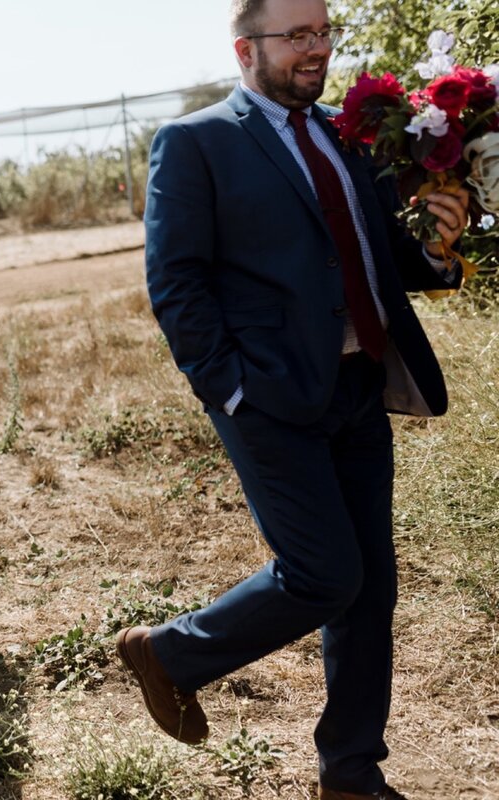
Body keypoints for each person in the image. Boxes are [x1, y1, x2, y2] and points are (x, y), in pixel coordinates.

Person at [121, 1, 471, 797]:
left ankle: (350, 771)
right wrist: (233, 390)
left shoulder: (352, 138)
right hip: (269, 399)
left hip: (357, 386)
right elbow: (176, 285)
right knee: (323, 574)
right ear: (247, 49)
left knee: (370, 586)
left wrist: (441, 248)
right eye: (298, 37)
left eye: (324, 34)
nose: (317, 50)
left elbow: (388, 259)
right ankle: (170, 652)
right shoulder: (197, 142)